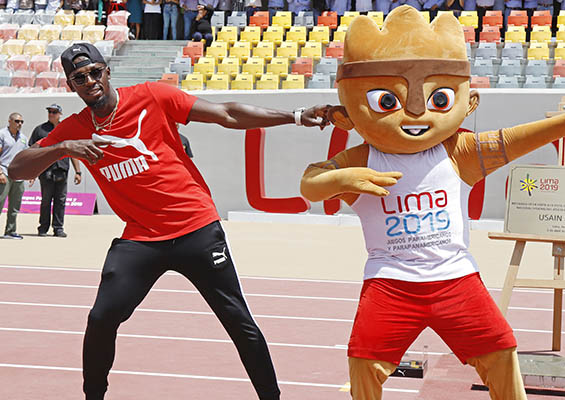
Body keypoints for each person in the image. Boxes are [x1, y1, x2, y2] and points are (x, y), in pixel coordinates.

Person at [8, 42, 329, 400]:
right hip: (142, 238)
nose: (90, 82)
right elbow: (17, 168)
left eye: (95, 72)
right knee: (101, 319)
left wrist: (296, 116)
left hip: (196, 228)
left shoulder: (152, 96)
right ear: (71, 86)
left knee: (238, 321)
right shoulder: (74, 128)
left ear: (107, 71)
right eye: (79, 78)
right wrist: (64, 148)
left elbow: (226, 114)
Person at [28, 104, 83, 238]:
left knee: (60, 201)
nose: (51, 114)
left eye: (54, 112)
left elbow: (72, 152)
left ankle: (58, 228)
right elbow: (32, 152)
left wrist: (78, 172)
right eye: (50, 112)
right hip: (45, 170)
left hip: (62, 170)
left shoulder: (65, 130)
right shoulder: (40, 130)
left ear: (60, 114)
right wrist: (32, 172)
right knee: (46, 201)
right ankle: (43, 228)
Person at [0, 113, 28, 240]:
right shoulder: (2, 134)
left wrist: (30, 173)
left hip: (19, 176)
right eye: (17, 121)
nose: (19, 124)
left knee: (15, 206)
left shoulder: (23, 138)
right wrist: (0, 173)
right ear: (10, 121)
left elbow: (26, 157)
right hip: (4, 174)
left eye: (21, 122)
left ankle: (10, 231)